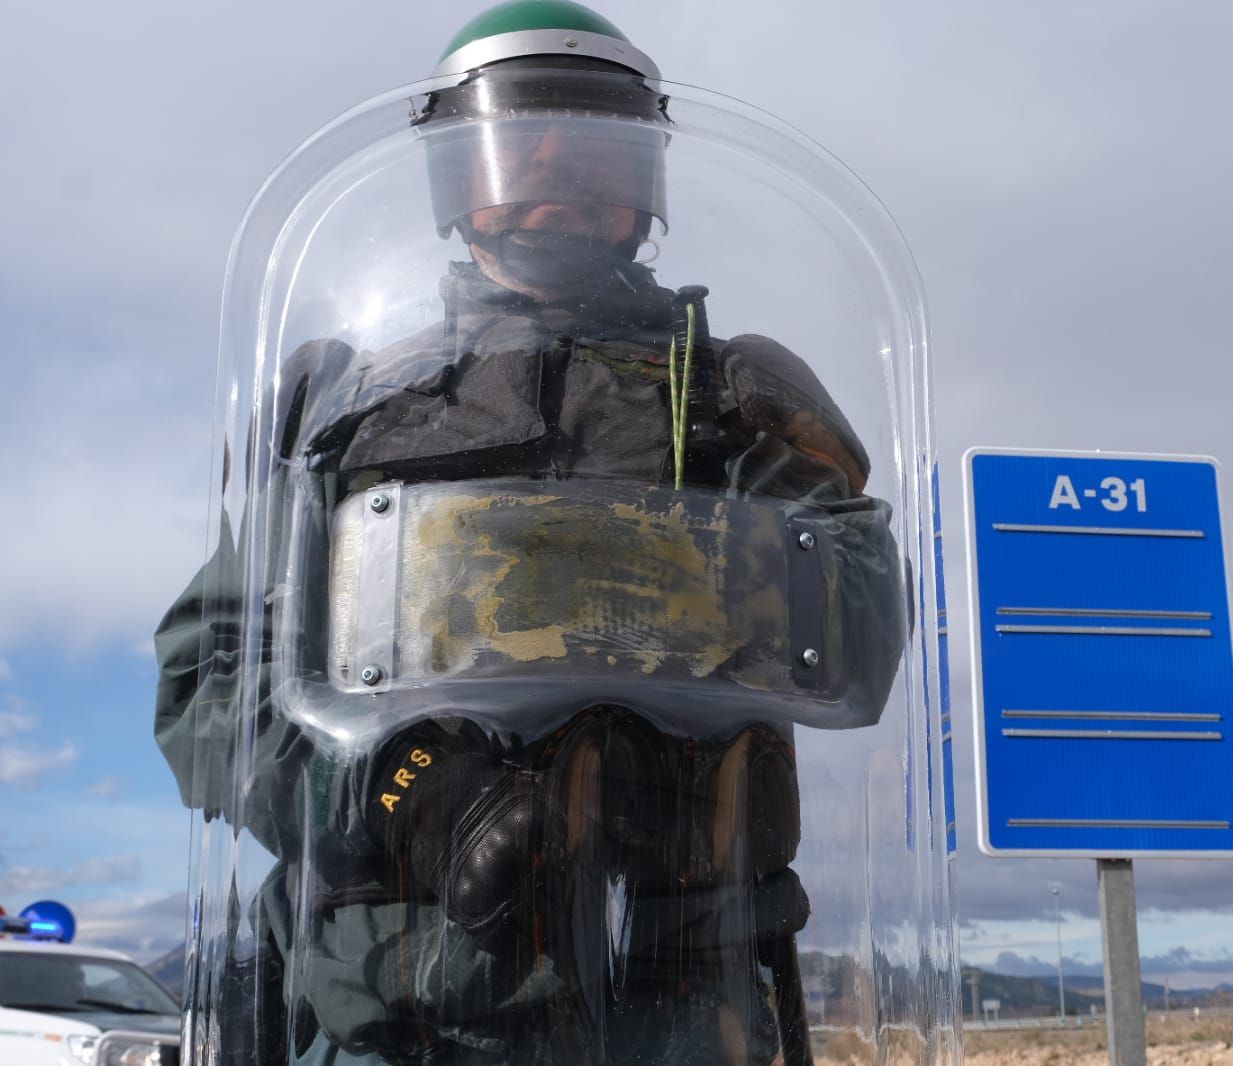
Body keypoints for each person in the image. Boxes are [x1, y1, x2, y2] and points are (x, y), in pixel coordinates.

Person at [153, 3, 905, 1064]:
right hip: (399, 1008)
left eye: (601, 152)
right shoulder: (358, 414)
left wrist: (659, 739)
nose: (566, 178)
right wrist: (400, 792)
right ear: (458, 186)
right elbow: (208, 682)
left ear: (648, 184)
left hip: (685, 996)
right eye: (527, 147)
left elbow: (859, 644)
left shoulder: (731, 412)